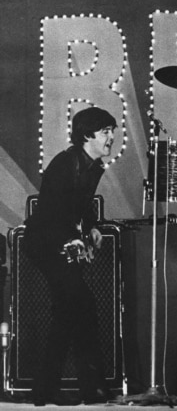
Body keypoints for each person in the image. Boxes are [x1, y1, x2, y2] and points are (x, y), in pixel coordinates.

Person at [24, 107, 117, 406]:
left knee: (69, 314)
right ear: (87, 134)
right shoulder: (66, 164)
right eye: (105, 131)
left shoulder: (90, 165)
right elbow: (53, 210)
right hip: (45, 242)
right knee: (81, 306)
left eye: (112, 131)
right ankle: (92, 389)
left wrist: (91, 228)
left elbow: (79, 205)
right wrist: (72, 238)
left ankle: (47, 392)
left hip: (59, 241)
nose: (111, 137)